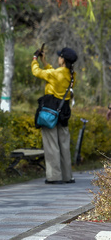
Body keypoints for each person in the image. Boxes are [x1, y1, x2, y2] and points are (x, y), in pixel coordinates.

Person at [32, 47, 77, 185]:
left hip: (51, 110)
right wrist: (44, 61)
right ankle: (67, 176)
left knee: (51, 144)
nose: (58, 58)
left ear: (62, 60)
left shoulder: (55, 74)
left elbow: (37, 72)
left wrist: (35, 60)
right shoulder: (71, 75)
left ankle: (54, 177)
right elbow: (51, 72)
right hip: (64, 111)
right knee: (63, 143)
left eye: (59, 57)